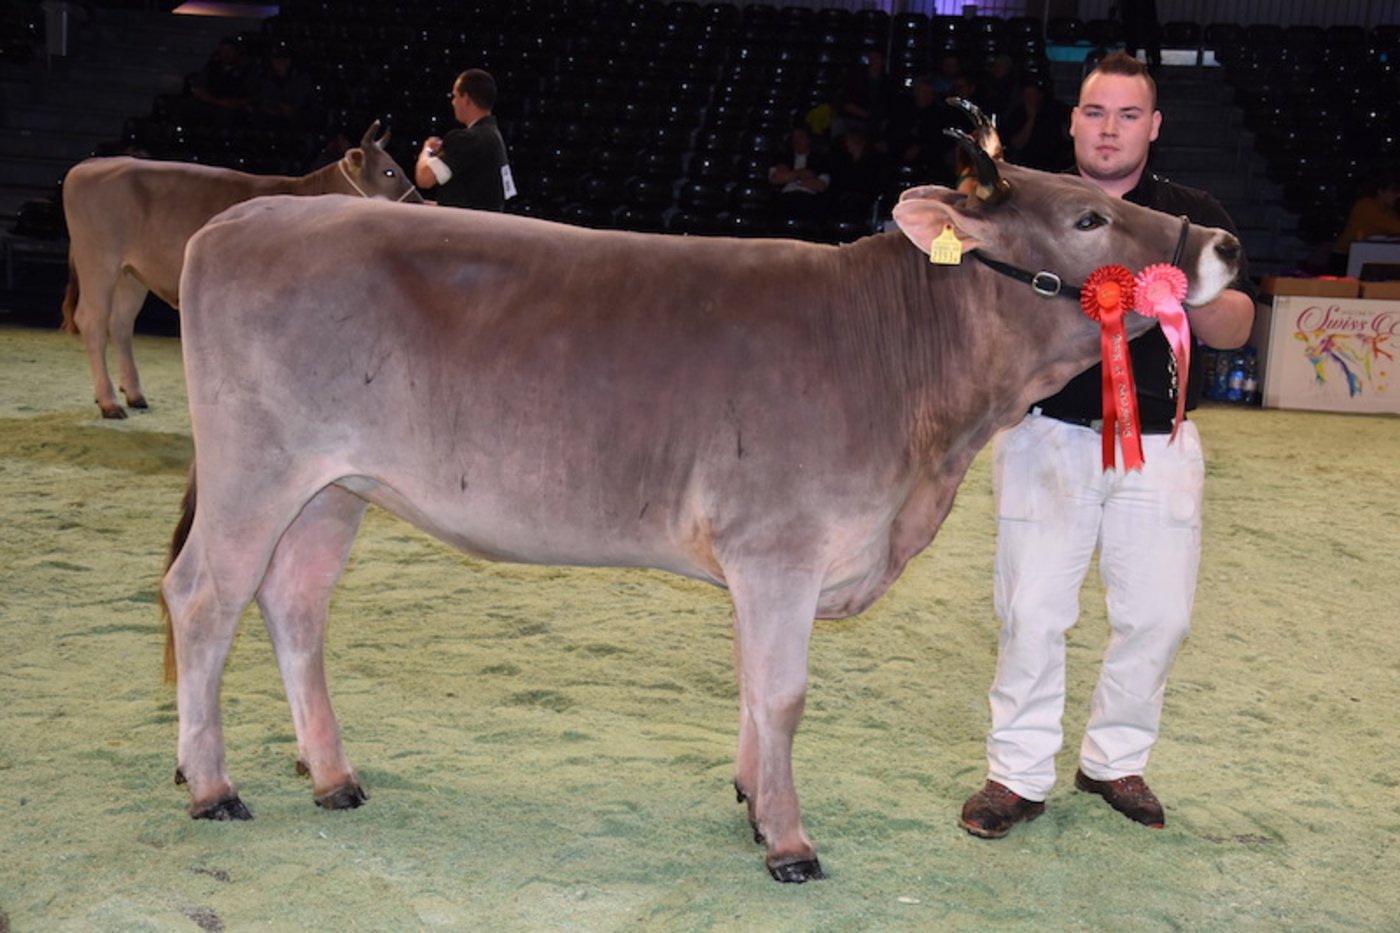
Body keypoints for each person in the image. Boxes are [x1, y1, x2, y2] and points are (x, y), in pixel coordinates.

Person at [960, 50, 1256, 839]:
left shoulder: (1191, 217)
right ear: (1072, 121)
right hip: (1046, 437)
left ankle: (1114, 761)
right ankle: (1015, 775)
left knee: (1158, 615)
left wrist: (1186, 293)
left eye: (1128, 114)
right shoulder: (1031, 206)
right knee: (1030, 611)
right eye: (1095, 112)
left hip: (1162, 444)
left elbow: (1239, 326)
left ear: (1153, 127)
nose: (1109, 129)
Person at [415, 69, 515, 211]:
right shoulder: (494, 136)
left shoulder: (468, 139)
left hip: (464, 229)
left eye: (455, 96)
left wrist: (427, 149)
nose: (453, 102)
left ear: (466, 99)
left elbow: (424, 179)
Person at [1329, 164, 1400, 275]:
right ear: (1380, 191)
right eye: (1394, 192)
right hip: (1345, 256)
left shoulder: (1390, 213)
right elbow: (1390, 226)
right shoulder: (1365, 206)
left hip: (1369, 256)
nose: (1397, 196)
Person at [1000, 71, 1073, 172]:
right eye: (1026, 96)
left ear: (1041, 94)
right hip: (1024, 168)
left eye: (1032, 95)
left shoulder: (1058, 111)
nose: (1029, 99)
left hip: (1055, 169)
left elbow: (1069, 140)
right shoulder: (1017, 114)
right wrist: (1031, 118)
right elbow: (1016, 144)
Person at [767, 122, 830, 221]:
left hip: (809, 199)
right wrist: (801, 174)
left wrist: (789, 176)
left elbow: (820, 185)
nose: (796, 141)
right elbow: (775, 179)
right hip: (785, 197)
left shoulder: (820, 160)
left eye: (800, 137)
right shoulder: (783, 158)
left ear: (808, 140)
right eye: (794, 137)